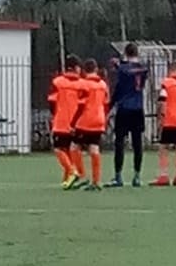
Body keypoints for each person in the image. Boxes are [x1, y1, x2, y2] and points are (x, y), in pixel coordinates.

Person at [106, 43, 150, 188]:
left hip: (124, 108)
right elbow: (136, 69)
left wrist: (110, 105)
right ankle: (137, 176)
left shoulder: (123, 70)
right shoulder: (143, 68)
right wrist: (121, 63)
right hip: (138, 108)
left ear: (125, 53)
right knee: (137, 143)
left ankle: (118, 176)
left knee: (119, 142)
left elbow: (119, 86)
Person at [48, 55, 86, 189]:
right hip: (76, 122)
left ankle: (72, 172)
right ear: (75, 68)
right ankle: (69, 178)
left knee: (59, 149)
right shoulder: (82, 84)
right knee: (71, 150)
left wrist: (55, 114)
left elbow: (51, 101)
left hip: (61, 121)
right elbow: (83, 104)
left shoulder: (57, 82)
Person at [73, 59, 110, 191]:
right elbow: (106, 102)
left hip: (85, 119)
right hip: (99, 118)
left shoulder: (83, 84)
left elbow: (80, 104)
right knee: (94, 148)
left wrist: (73, 121)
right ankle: (96, 180)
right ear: (96, 69)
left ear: (84, 70)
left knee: (74, 147)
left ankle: (82, 175)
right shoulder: (103, 84)